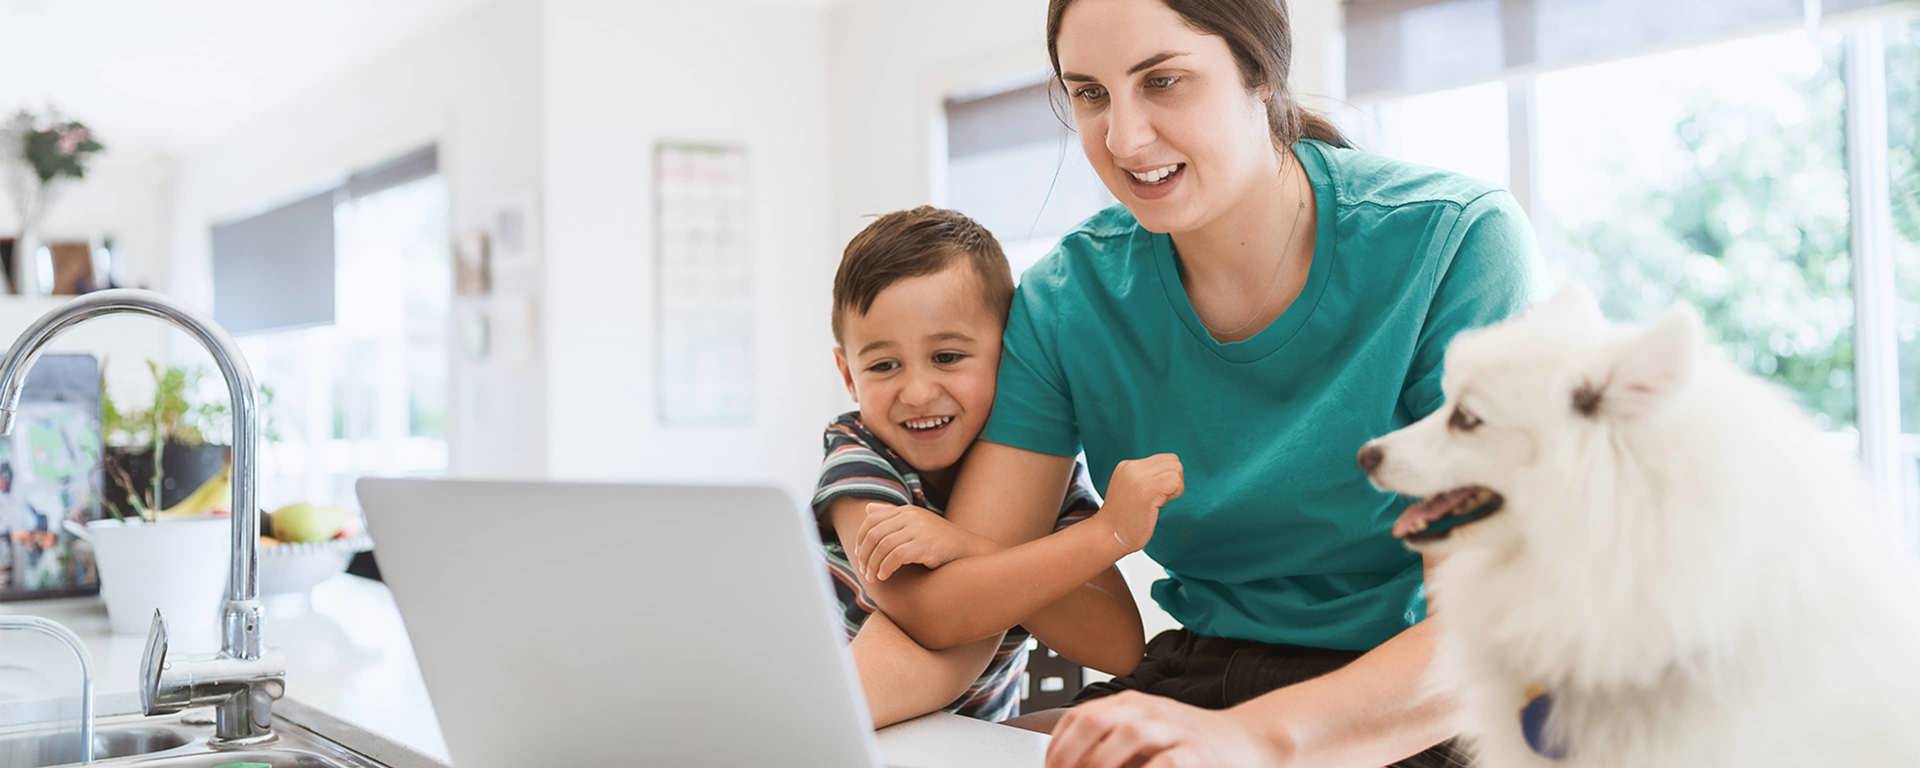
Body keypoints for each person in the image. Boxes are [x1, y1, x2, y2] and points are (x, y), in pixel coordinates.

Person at [859, 0, 1540, 764]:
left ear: (1260, 72)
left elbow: (1485, 633)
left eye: (1165, 81)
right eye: (1089, 94)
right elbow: (973, 592)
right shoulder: (1064, 301)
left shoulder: (1453, 242)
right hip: (1200, 680)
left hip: (1405, 705)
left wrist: (1248, 742)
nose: (1122, 138)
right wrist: (785, 722)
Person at [813, 205, 1180, 727]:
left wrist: (969, 545)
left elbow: (1118, 648)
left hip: (970, 738)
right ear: (848, 375)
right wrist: (1105, 535)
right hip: (852, 723)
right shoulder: (859, 453)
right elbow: (917, 605)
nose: (917, 393)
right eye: (883, 365)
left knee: (1117, 732)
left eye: (947, 357)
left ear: (1012, 356)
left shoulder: (1046, 482)